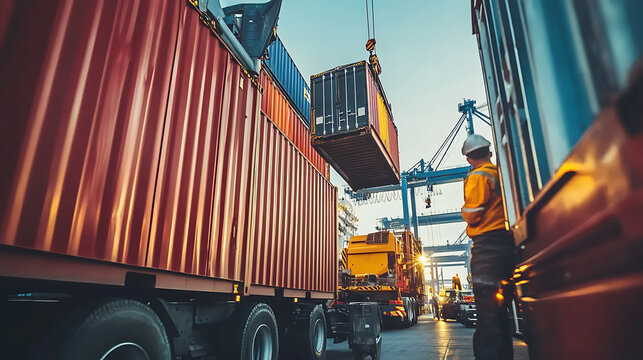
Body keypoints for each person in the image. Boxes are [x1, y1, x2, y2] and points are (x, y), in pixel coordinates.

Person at [460, 134, 514, 360]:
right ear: (489, 152)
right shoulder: (500, 173)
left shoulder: (477, 176)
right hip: (506, 244)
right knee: (501, 318)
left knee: (487, 320)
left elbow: (472, 215)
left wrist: (464, 212)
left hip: (486, 248)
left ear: (469, 158)